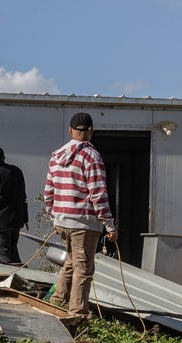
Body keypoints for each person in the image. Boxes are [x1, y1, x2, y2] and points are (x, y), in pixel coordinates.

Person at [44, 112, 117, 317]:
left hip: (62, 220)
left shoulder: (56, 156)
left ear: (70, 131)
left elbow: (49, 191)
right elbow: (98, 193)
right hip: (83, 223)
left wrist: (54, 216)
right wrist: (109, 225)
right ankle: (77, 312)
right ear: (91, 131)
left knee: (71, 261)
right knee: (83, 268)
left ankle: (58, 299)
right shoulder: (91, 156)